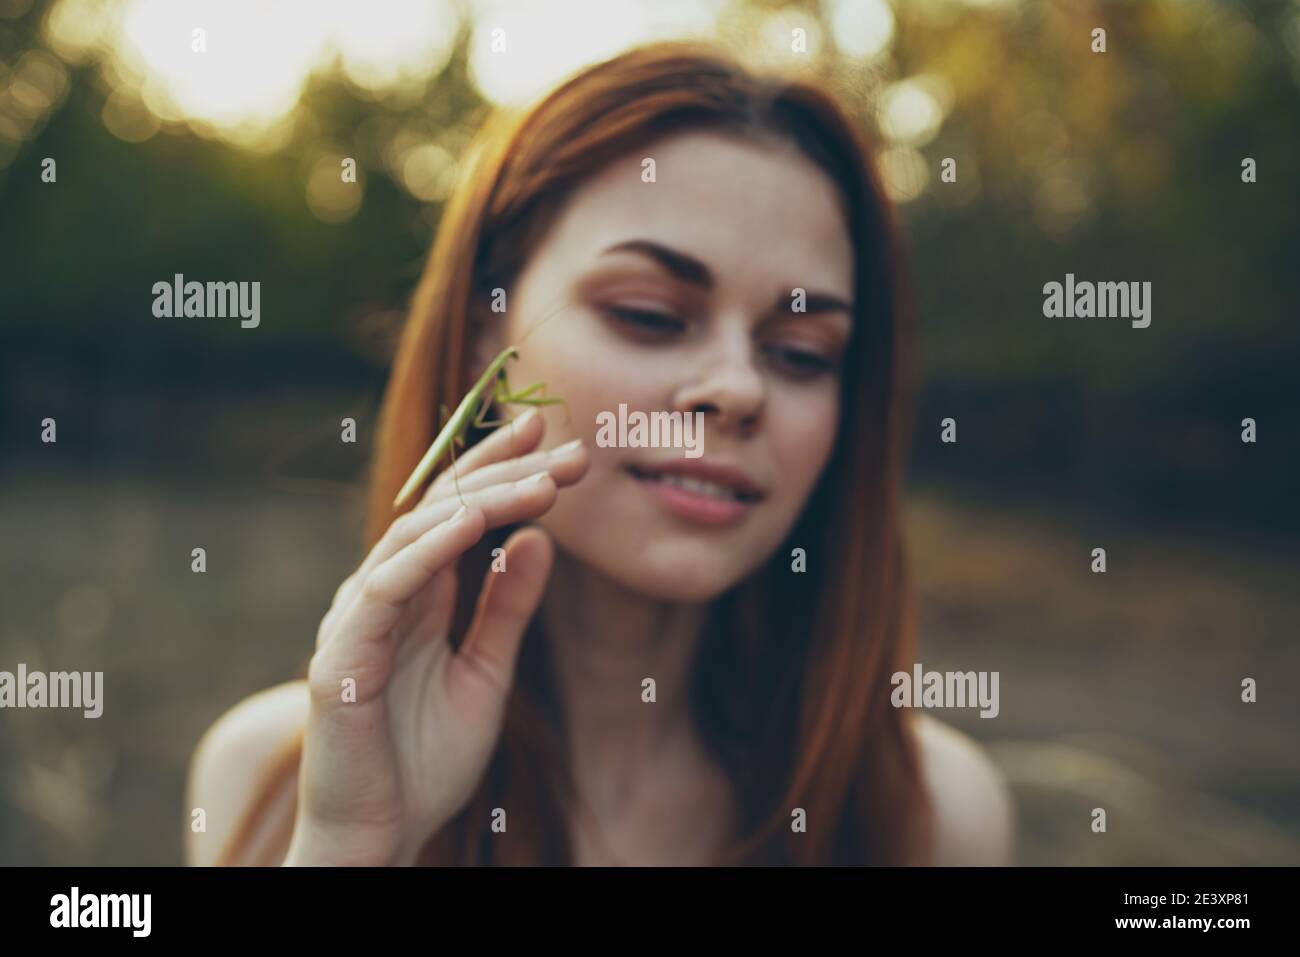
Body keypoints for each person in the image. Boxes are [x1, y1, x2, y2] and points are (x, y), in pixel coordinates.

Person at [184, 40, 1014, 866]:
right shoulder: (268, 780)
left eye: (800, 352)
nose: (737, 389)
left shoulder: (933, 815)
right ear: (485, 334)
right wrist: (358, 844)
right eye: (649, 313)